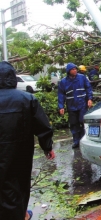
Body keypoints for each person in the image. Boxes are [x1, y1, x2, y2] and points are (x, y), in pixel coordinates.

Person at [0, 61, 55, 220]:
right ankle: (21, 214)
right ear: (13, 78)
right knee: (19, 185)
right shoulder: (27, 99)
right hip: (20, 154)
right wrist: (47, 147)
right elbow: (43, 127)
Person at [58, 63, 93, 148]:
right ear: (68, 71)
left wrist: (90, 99)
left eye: (75, 69)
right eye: (73, 69)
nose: (75, 70)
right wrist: (61, 106)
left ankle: (84, 139)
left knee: (82, 121)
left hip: (82, 104)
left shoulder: (82, 78)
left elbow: (88, 88)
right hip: (71, 106)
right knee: (74, 123)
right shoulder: (63, 82)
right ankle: (76, 141)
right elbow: (61, 94)